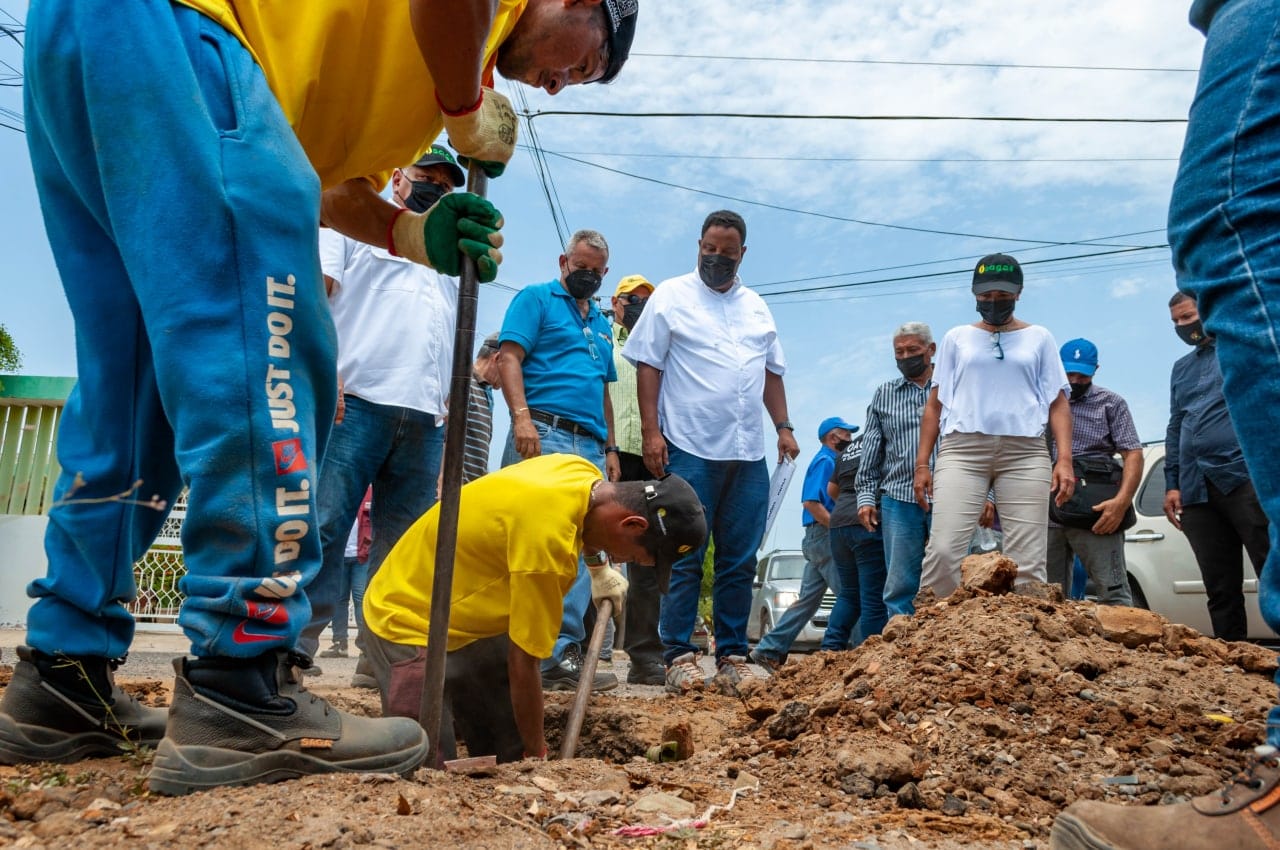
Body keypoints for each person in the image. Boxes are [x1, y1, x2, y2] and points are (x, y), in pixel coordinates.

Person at [3, 0, 637, 791]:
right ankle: (242, 688)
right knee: (266, 342)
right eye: (588, 60)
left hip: (93, 34)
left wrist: (410, 234)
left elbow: (320, 183)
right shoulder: (473, 38)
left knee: (133, 387)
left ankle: (63, 675)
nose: (564, 85)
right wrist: (467, 108)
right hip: (188, 35)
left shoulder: (383, 80)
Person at [1050, 3, 1280, 847]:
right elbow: (1176, 432)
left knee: (1235, 216)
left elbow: (1134, 445)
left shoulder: (1110, 403)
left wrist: (1130, 495)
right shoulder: (1185, 373)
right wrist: (1179, 479)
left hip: (1231, 484)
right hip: (1205, 484)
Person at [360, 455, 706, 763]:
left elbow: (588, 526)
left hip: (464, 610)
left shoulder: (580, 473)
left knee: (504, 747)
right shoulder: (548, 550)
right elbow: (524, 663)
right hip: (404, 615)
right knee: (425, 761)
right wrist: (539, 755)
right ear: (632, 524)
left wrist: (599, 570)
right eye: (631, 557)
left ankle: (509, 760)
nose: (622, 562)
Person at [302, 146, 468, 684]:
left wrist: (445, 413)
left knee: (401, 551)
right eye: (427, 179)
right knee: (324, 527)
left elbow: (446, 340)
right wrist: (330, 375)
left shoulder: (446, 260)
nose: (436, 192)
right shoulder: (352, 226)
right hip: (357, 404)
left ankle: (381, 666)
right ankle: (292, 654)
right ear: (399, 177)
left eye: (446, 188)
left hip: (422, 419)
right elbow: (315, 296)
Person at [623, 209, 800, 696]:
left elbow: (772, 373)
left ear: (743, 254)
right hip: (691, 447)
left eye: (727, 252)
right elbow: (648, 366)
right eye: (709, 249)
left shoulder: (757, 306)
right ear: (698, 245)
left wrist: (782, 426)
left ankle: (732, 656)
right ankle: (678, 654)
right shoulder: (671, 297)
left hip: (748, 453)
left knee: (741, 558)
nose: (717, 259)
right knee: (685, 551)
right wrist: (652, 434)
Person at [497, 229, 621, 692]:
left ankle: (559, 653)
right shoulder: (535, 299)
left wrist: (609, 448)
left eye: (594, 271)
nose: (585, 275)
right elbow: (510, 357)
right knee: (534, 542)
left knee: (579, 547)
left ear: (603, 274)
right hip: (543, 430)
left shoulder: (603, 325)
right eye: (579, 266)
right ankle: (514, 651)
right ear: (563, 262)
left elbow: (602, 389)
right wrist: (522, 419)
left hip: (588, 443)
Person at [915, 254, 1074, 598]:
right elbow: (935, 405)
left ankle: (1026, 640)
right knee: (943, 549)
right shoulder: (956, 338)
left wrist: (1064, 459)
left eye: (1001, 295)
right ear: (974, 295)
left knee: (1028, 561)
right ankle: (931, 629)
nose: (992, 302)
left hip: (1025, 453)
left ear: (1018, 293)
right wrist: (922, 464)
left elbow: (1058, 402)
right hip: (963, 451)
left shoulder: (1040, 338)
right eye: (985, 296)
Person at [1162, 294, 1268, 640]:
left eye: (1188, 317)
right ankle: (1234, 666)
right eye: (1176, 322)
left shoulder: (1242, 350)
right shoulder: (1181, 368)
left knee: (1273, 571)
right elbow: (1177, 423)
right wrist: (1172, 483)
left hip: (1245, 480)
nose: (1183, 326)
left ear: (1207, 310)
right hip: (1196, 490)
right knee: (1220, 588)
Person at [749, 417, 854, 670]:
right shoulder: (826, 461)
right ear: (833, 437)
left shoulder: (827, 460)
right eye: (846, 435)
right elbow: (811, 503)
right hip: (824, 536)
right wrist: (837, 527)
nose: (850, 440)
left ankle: (769, 649)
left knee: (808, 601)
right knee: (851, 595)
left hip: (817, 537)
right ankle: (856, 649)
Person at [1045, 338, 1142, 606]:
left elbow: (1132, 452)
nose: (1075, 380)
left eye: (1082, 374)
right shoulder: (1040, 403)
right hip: (1046, 513)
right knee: (1044, 599)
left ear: (1095, 370)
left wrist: (1121, 503)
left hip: (1095, 512)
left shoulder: (1110, 403)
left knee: (1114, 593)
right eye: (1068, 373)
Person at [855, 322, 940, 618]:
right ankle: (902, 649)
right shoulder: (885, 394)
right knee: (900, 583)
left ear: (931, 350)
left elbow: (977, 440)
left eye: (913, 350)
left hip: (950, 496)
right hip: (898, 498)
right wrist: (865, 497)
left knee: (952, 576)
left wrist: (988, 493)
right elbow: (872, 451)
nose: (906, 357)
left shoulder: (953, 387)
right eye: (899, 352)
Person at [607, 274, 666, 685]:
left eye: (648, 299)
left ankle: (645, 657)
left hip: (651, 457)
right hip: (608, 454)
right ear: (616, 302)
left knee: (647, 555)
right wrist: (607, 448)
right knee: (590, 552)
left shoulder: (661, 343)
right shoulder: (598, 336)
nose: (640, 305)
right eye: (633, 299)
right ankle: (575, 650)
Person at [823, 422, 889, 651]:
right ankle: (870, 654)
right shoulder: (886, 441)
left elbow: (831, 490)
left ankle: (830, 649)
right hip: (867, 522)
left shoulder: (849, 449)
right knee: (873, 596)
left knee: (849, 593)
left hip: (839, 523)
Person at [319, 489, 373, 659]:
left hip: (361, 556)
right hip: (340, 556)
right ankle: (339, 644)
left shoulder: (371, 493)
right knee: (339, 600)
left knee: (360, 598)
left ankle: (365, 646)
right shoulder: (340, 493)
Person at [463, 333, 503, 484]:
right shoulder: (465, 384)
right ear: (497, 358)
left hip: (469, 491)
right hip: (452, 491)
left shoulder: (485, 391)